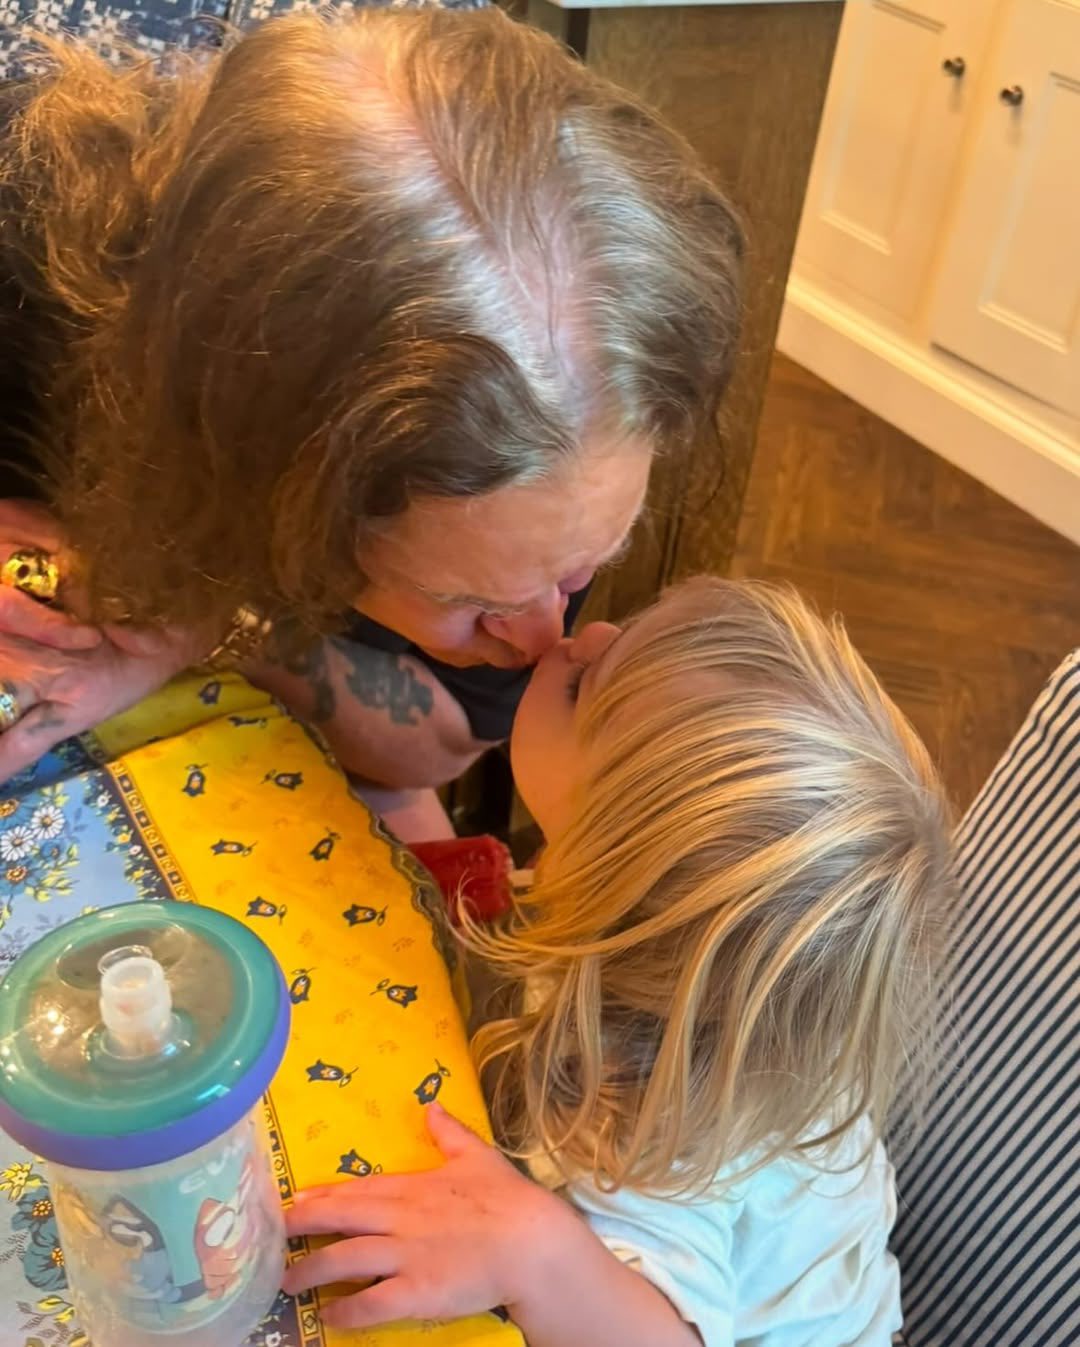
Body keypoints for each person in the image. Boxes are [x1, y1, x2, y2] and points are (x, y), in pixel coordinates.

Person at [0, 7, 743, 834]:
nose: (544, 641)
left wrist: (197, 627)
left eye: (581, 571)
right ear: (263, 467)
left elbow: (443, 742)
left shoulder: (571, 446)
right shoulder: (24, 267)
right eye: (463, 599)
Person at [282, 577, 954, 1346]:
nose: (590, 632)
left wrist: (537, 1253)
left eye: (585, 690)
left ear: (616, 866)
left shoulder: (650, 1120)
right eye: (629, 625)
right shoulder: (685, 958)